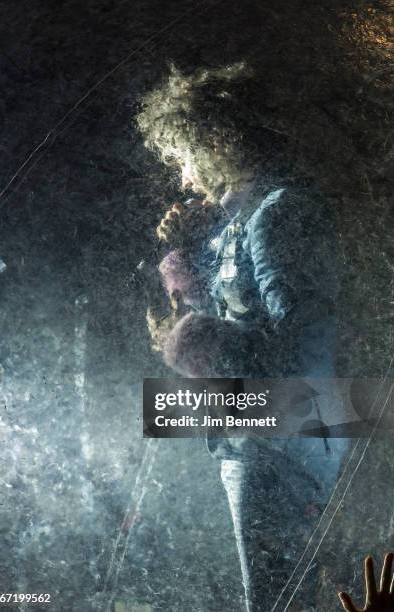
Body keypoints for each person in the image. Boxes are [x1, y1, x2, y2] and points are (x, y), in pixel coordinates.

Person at [136, 62, 350, 611]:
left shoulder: (277, 215)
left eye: (183, 157)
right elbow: (253, 322)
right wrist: (193, 293)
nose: (183, 176)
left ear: (212, 145)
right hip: (260, 440)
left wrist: (199, 336)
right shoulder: (246, 218)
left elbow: (305, 346)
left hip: (281, 448)